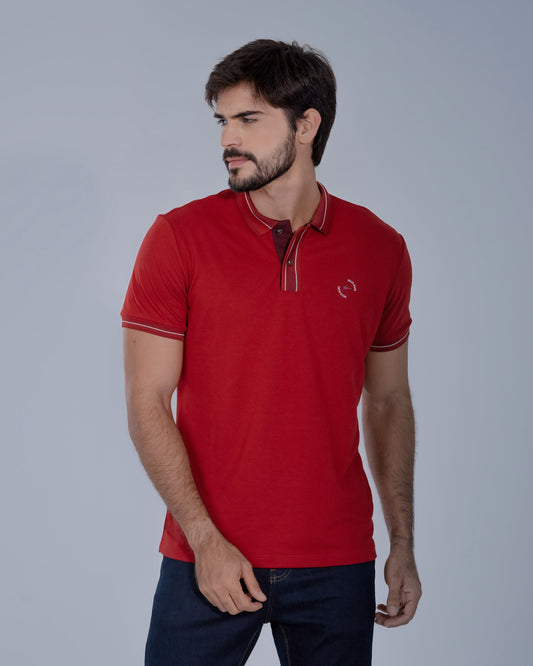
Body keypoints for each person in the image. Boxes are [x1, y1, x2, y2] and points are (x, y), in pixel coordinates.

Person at [121, 39, 422, 666]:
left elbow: (389, 399)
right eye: (222, 121)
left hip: (337, 561)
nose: (228, 139)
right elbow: (147, 399)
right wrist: (204, 539)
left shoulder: (381, 248)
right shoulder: (178, 237)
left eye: (248, 119)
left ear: (306, 125)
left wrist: (403, 543)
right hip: (207, 558)